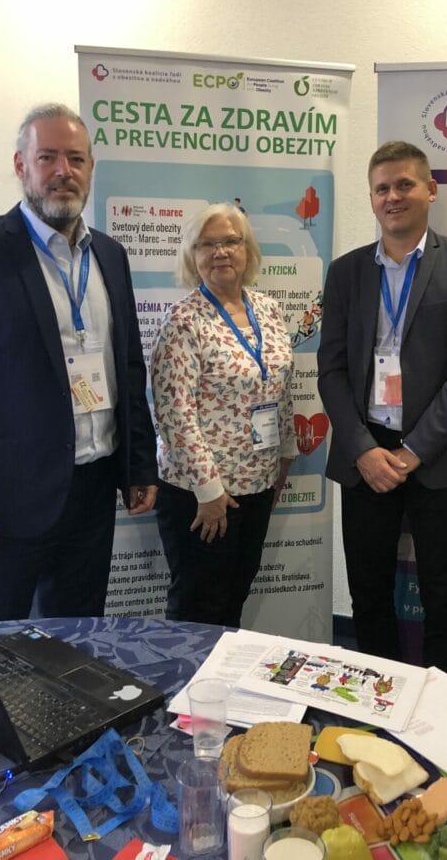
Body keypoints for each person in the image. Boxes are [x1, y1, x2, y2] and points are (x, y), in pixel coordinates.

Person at [0, 104, 158, 622]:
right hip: (5, 502)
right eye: (47, 157)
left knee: (77, 637)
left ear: (91, 168)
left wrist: (138, 463)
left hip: (94, 490)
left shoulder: (111, 257)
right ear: (20, 165)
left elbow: (127, 368)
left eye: (75, 158)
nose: (62, 171)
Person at [317, 141, 447, 673]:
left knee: (445, 593)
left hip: (437, 457)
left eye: (404, 185)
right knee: (369, 591)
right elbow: (332, 370)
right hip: (365, 453)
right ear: (371, 199)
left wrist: (415, 450)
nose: (393, 197)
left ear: (430, 190)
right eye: (382, 188)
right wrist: (364, 450)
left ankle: (446, 712)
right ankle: (376, 701)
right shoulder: (347, 272)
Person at [151, 202, 297, 626]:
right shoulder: (182, 320)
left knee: (234, 598)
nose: (221, 252)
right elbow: (173, 414)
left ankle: (220, 690)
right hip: (203, 496)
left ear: (247, 249)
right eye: (207, 244)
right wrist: (209, 492)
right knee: (198, 606)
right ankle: (187, 688)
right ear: (191, 256)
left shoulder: (267, 309)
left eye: (231, 241)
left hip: (258, 483)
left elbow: (281, 385)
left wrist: (284, 455)